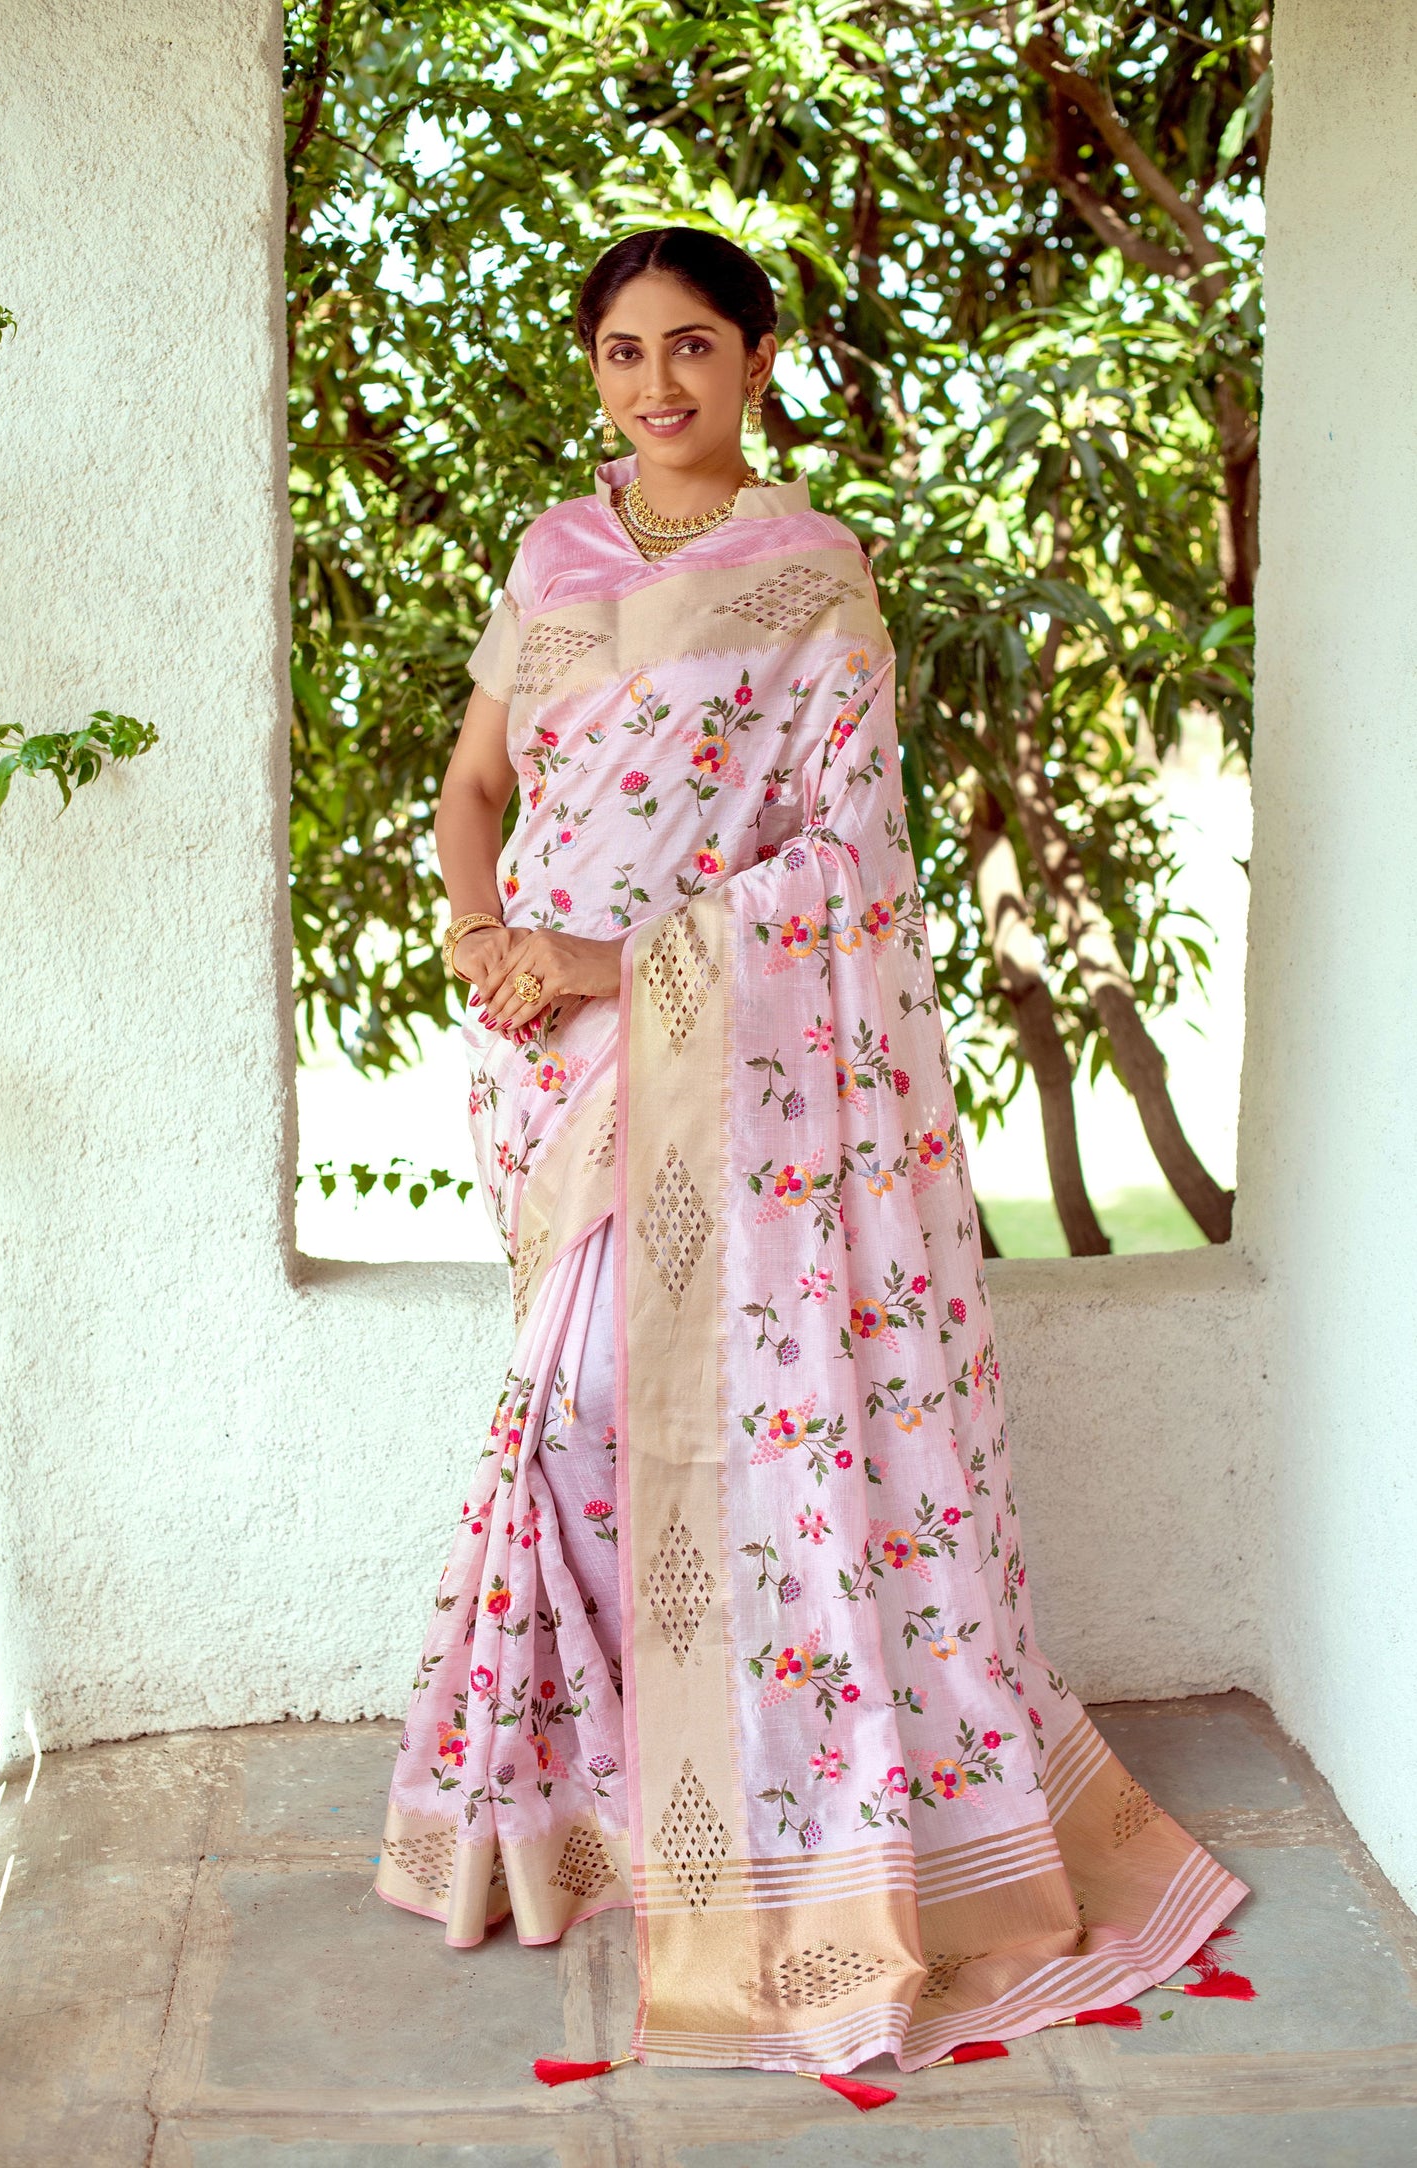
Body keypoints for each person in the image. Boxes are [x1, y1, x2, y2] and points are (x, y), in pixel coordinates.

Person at [375, 227, 1245, 2078]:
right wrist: (483, 946)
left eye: (693, 346)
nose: (655, 385)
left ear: (757, 360)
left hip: (730, 1057)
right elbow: (472, 789)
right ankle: (609, 1798)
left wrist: (628, 958)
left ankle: (784, 1806)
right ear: (594, 368)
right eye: (622, 351)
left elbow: (850, 858)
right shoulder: (552, 554)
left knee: (717, 1415)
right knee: (579, 1408)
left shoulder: (807, 571)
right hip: (551, 1058)